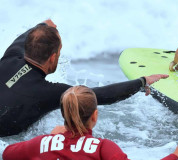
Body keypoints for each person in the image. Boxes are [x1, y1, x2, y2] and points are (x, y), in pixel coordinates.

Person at [0, 19, 167, 137]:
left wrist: (43, 25)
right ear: (52, 57)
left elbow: (27, 36)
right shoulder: (49, 92)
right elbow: (99, 95)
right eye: (59, 52)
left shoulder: (9, 58)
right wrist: (142, 81)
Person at [2, 85, 178, 160]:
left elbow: (7, 155)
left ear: (64, 114)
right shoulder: (103, 147)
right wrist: (177, 156)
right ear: (95, 115)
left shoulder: (42, 144)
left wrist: (49, 138)